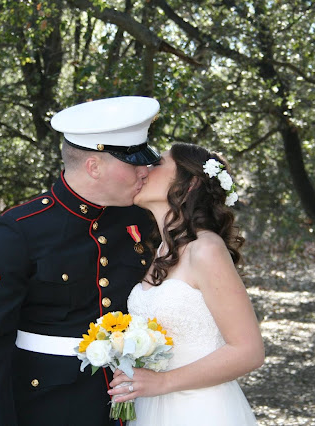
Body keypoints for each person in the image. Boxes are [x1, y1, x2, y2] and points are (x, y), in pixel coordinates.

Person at [0, 96, 162, 426]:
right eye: (133, 163)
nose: (146, 171)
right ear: (94, 166)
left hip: (136, 403)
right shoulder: (20, 230)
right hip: (48, 405)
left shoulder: (142, 220)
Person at [108, 143, 264, 425]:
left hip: (200, 409)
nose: (143, 170)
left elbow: (249, 351)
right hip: (150, 408)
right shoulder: (159, 252)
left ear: (190, 183)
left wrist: (163, 382)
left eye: (157, 164)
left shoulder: (206, 249)